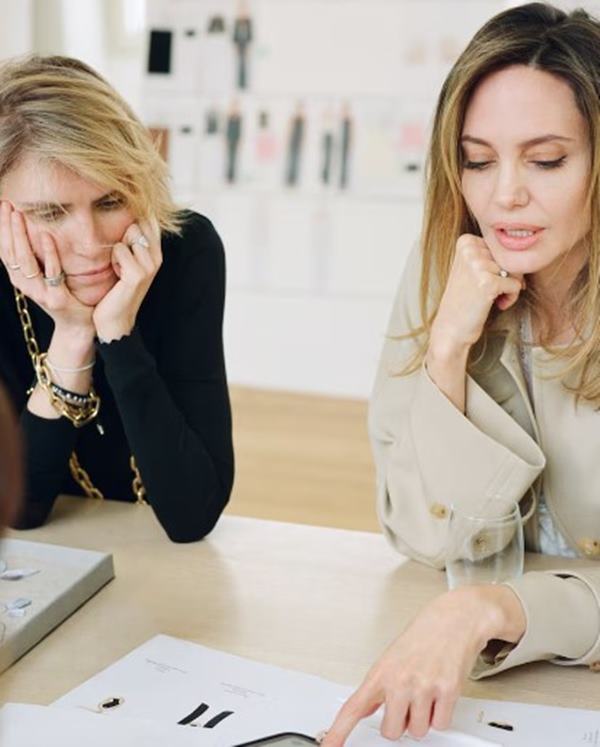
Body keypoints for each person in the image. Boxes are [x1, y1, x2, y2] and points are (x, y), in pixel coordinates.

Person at [323, 3, 600, 743]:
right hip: (508, 682)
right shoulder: (448, 267)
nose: (504, 193)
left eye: (545, 160)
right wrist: (447, 349)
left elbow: (472, 587)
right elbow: (418, 532)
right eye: (478, 159)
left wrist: (494, 609)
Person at [0, 55, 234, 543]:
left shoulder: (186, 250)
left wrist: (117, 334)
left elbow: (193, 514)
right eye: (49, 213)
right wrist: (72, 338)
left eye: (110, 202)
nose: (90, 242)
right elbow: (17, 510)